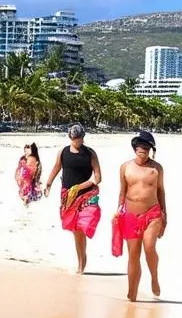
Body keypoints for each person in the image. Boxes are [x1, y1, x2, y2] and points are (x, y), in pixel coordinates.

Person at [113, 131, 166, 301]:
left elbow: (160, 191)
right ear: (135, 148)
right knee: (133, 255)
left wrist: (164, 215)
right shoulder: (125, 167)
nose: (142, 149)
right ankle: (132, 293)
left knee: (149, 246)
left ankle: (155, 278)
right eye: (139, 146)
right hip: (130, 214)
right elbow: (122, 191)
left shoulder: (156, 168)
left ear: (151, 149)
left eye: (146, 147)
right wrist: (118, 210)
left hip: (152, 213)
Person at [44, 124, 102, 274]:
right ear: (70, 137)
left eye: (80, 138)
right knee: (76, 230)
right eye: (75, 138)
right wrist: (48, 184)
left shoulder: (90, 153)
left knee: (83, 226)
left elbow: (98, 177)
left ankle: (82, 262)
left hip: (87, 195)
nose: (78, 141)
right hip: (68, 197)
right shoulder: (63, 152)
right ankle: (81, 261)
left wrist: (81, 186)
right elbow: (56, 168)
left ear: (83, 137)